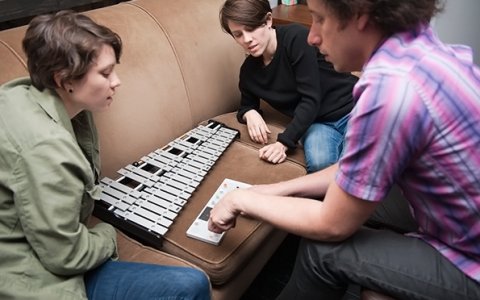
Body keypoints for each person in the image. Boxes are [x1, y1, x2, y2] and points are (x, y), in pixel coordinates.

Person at [209, 0, 480, 299]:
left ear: (359, 17)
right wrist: (271, 190)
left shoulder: (389, 92)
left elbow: (331, 224)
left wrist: (239, 200)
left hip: (470, 260)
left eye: (319, 19)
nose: (312, 36)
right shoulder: (419, 47)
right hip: (455, 224)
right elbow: (353, 172)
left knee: (321, 250)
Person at [0, 11, 210, 300]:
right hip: (29, 277)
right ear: (64, 79)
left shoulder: (20, 93)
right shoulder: (46, 148)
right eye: (105, 73)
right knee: (191, 285)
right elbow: (65, 258)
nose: (117, 82)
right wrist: (108, 235)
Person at [220, 0, 358, 173]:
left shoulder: (296, 37)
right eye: (238, 34)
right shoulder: (249, 72)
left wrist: (283, 143)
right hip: (318, 123)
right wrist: (250, 113)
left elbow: (310, 99)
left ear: (268, 20)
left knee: (354, 167)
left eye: (251, 28)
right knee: (319, 164)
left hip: (353, 108)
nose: (247, 39)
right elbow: (246, 105)